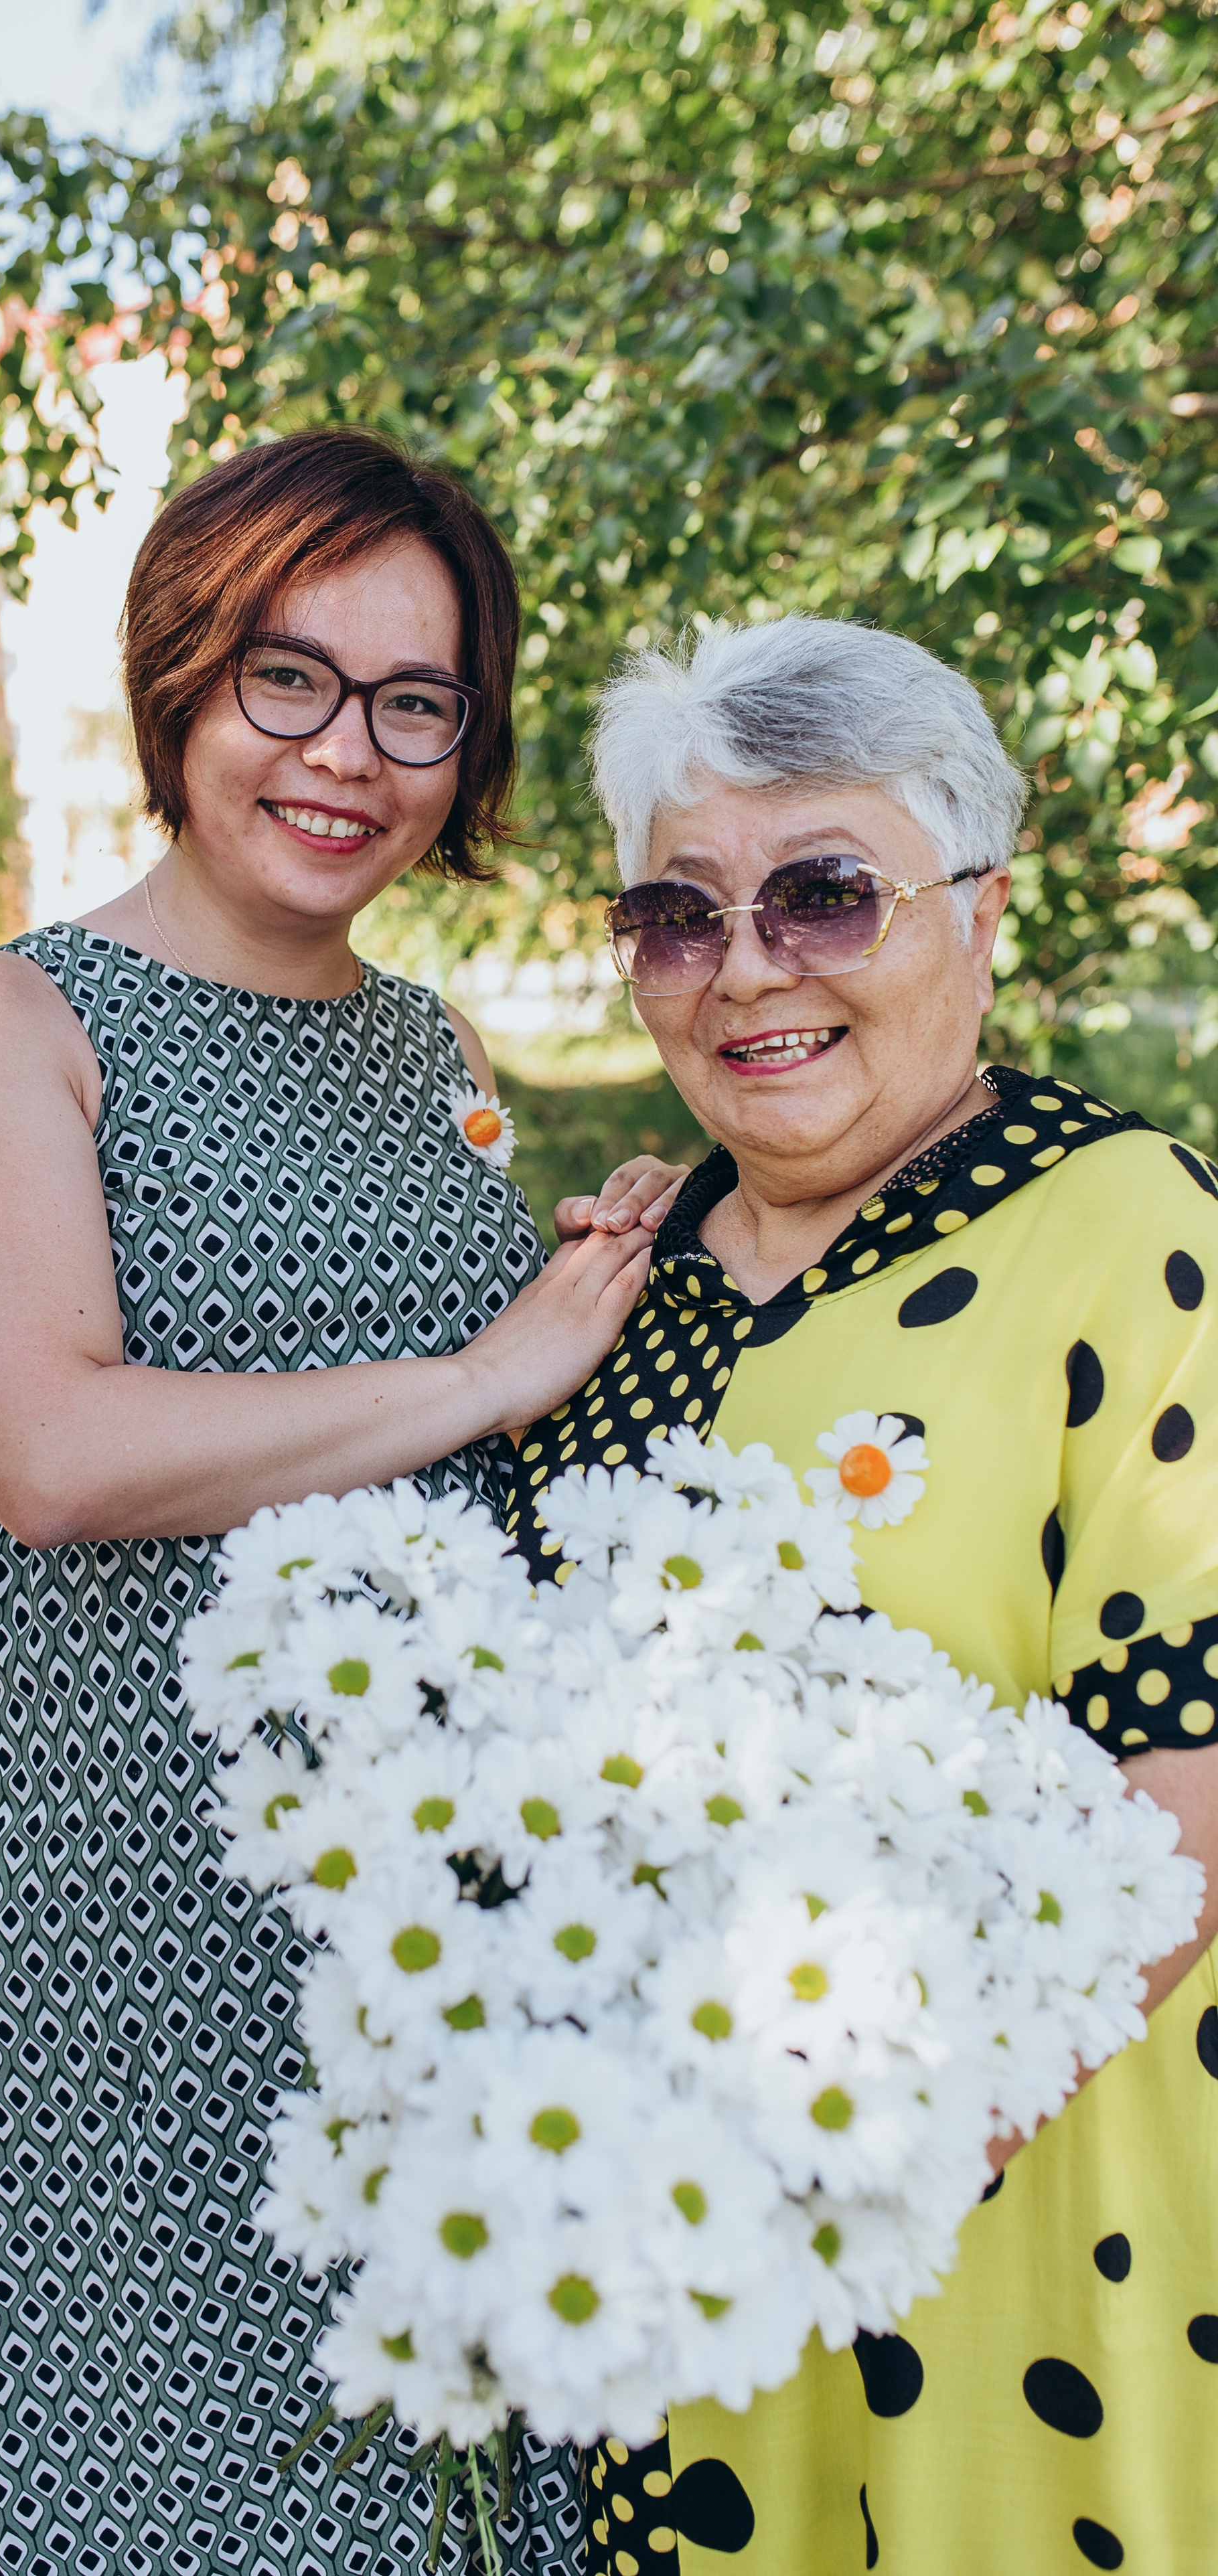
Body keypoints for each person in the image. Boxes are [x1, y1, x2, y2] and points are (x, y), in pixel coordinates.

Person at [0, 427, 684, 2576]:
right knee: (155, 2483)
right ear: (182, 682)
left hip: (417, 1894)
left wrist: (593, 1279)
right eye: (286, 678)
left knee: (421, 2471)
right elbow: (47, 1451)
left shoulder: (423, 1039)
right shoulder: (11, 1018)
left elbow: (452, 1403)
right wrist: (477, 1368)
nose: (350, 752)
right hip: (102, 1888)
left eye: (415, 701)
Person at [508, 617, 1218, 2575]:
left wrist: (816, 2179)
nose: (744, 970)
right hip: (668, 2288)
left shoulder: (1134, 1237)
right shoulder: (607, 1312)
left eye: (825, 895)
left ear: (977, 910)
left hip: (1017, 2244)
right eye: (676, 912)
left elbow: (1189, 1803)